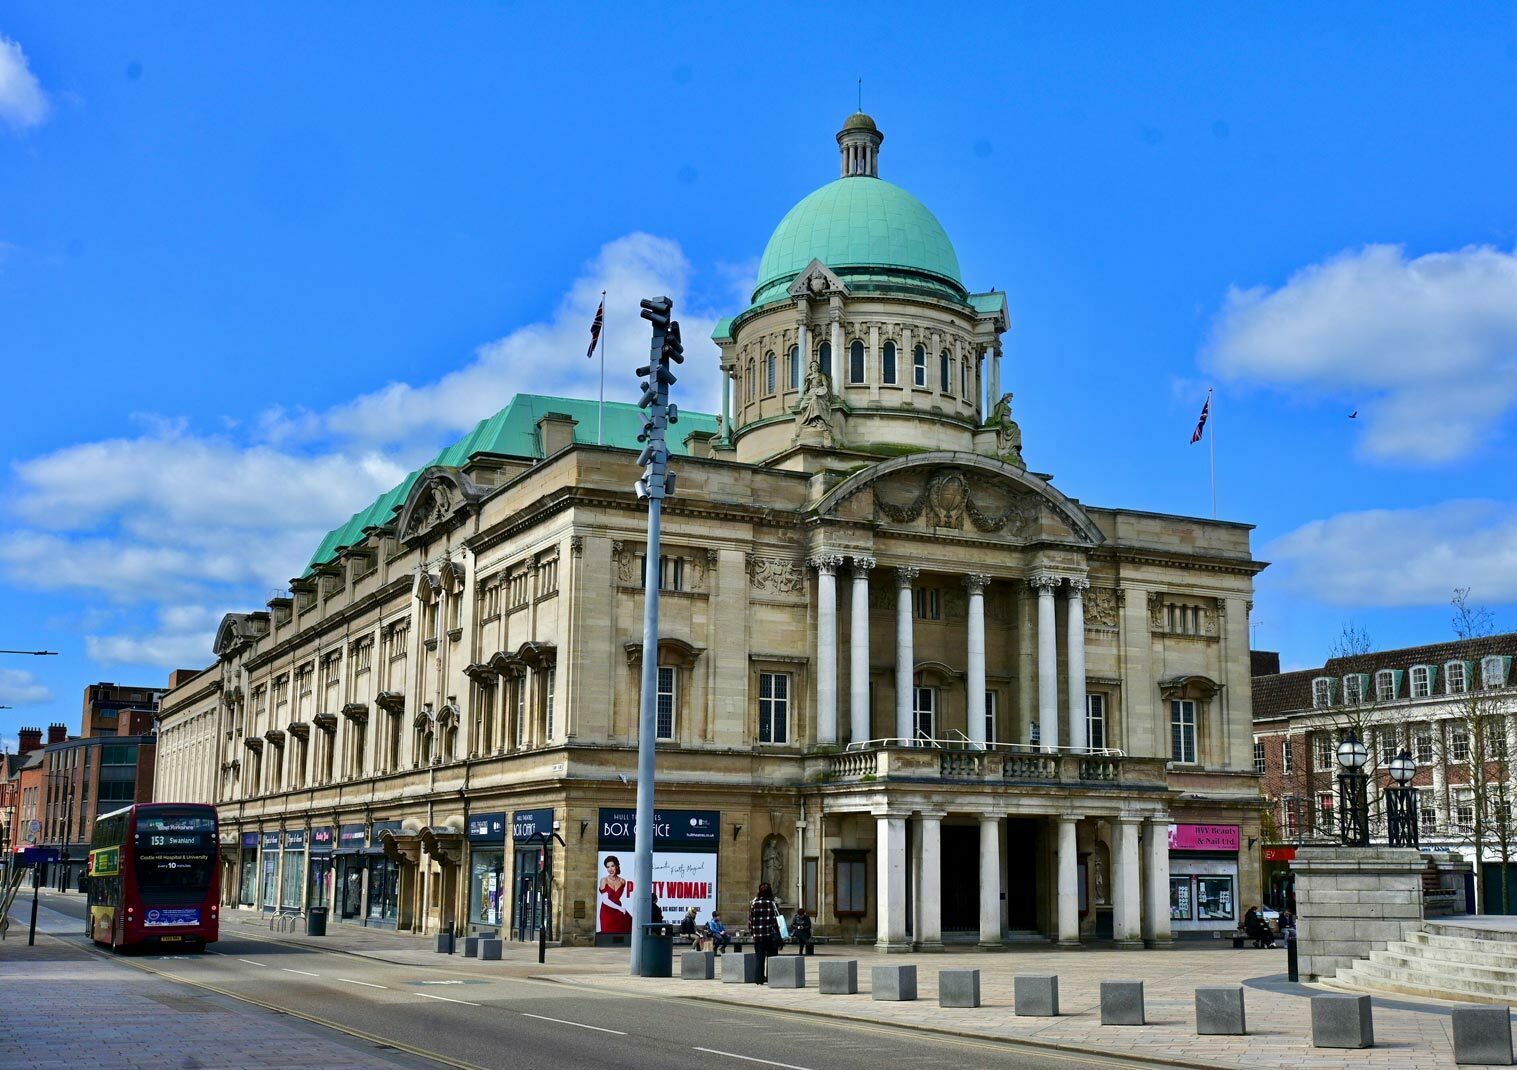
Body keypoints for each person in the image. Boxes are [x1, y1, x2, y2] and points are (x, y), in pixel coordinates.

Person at [748, 881, 780, 984]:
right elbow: (775, 921)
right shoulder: (772, 904)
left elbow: (750, 921)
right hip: (770, 935)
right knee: (771, 957)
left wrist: (753, 932)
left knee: (759, 958)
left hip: (758, 936)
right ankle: (771, 978)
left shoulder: (753, 903)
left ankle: (759, 979)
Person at [597, 856, 631, 936]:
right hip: (607, 912)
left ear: (617, 866)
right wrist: (620, 908)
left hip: (618, 911)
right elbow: (605, 900)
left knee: (627, 929)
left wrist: (620, 909)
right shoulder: (604, 880)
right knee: (607, 934)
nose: (610, 869)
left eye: (612, 866)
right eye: (608, 867)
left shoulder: (622, 881)